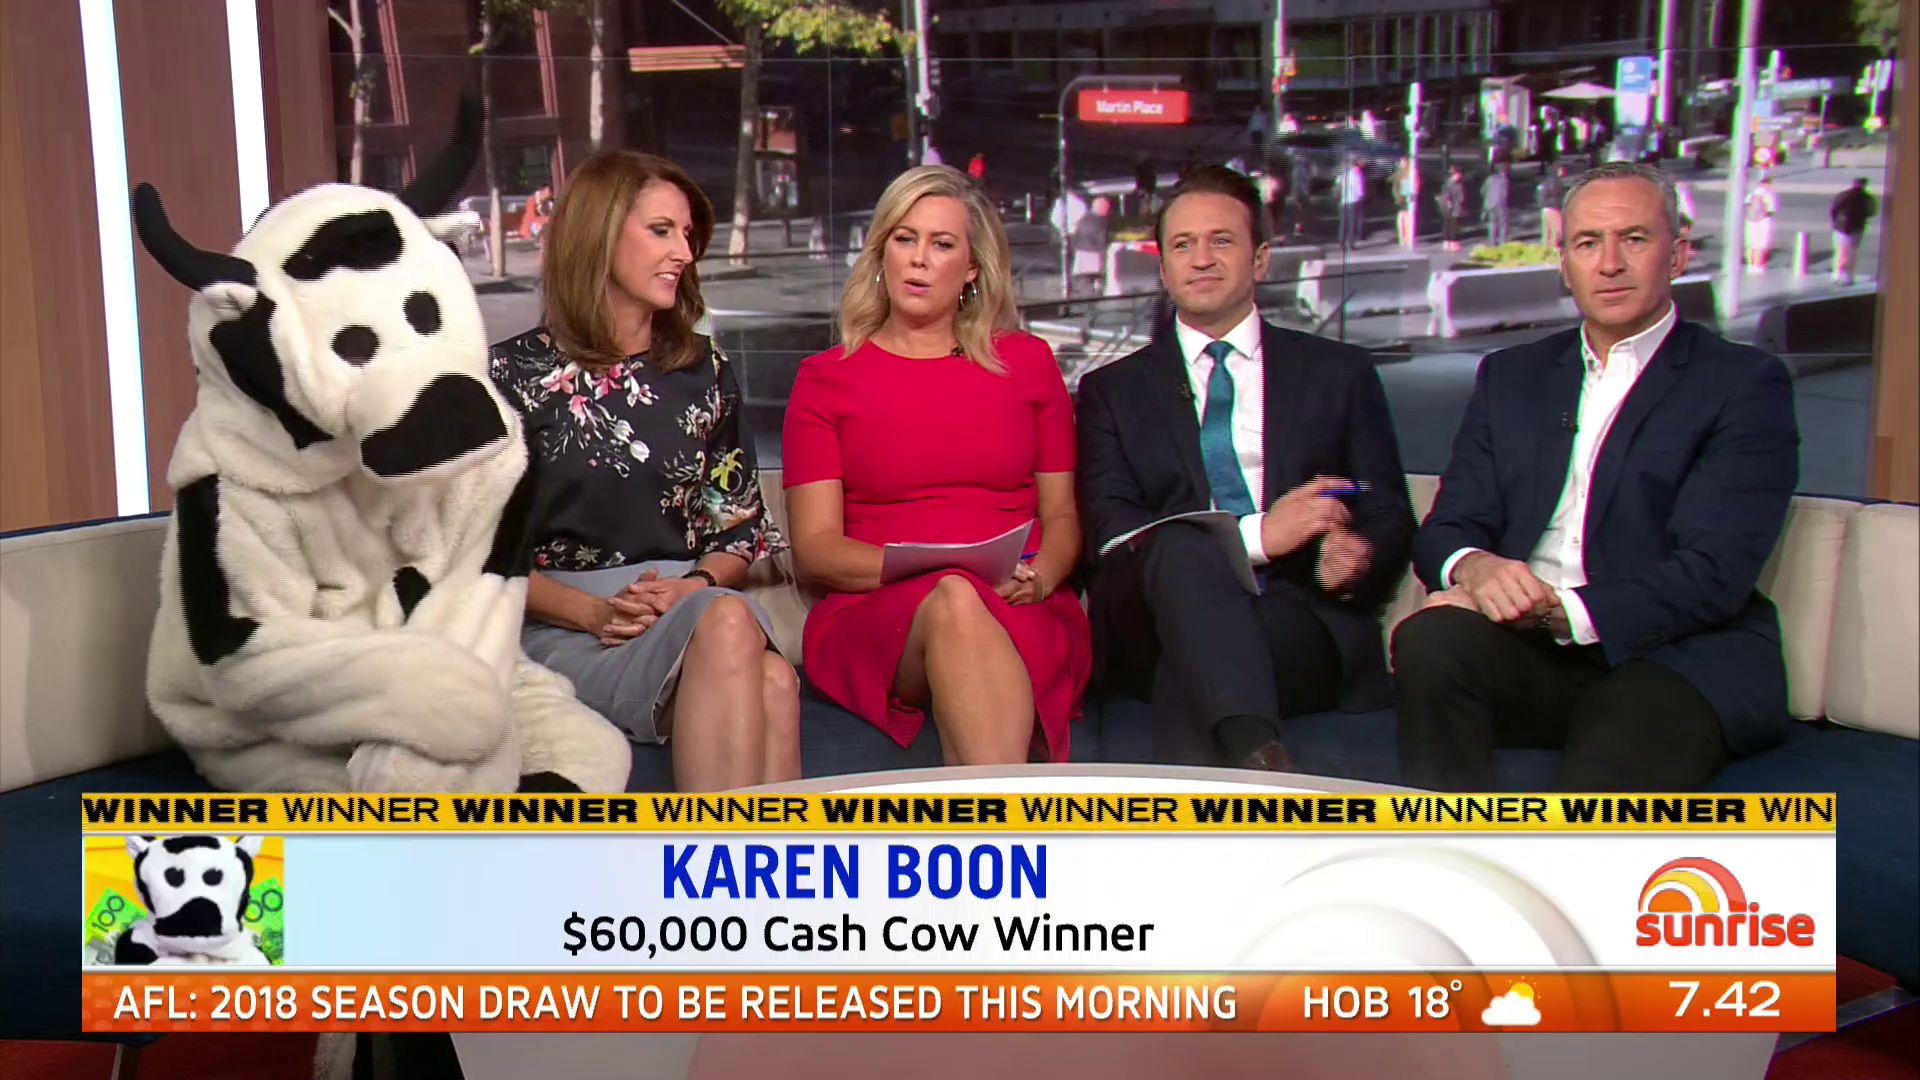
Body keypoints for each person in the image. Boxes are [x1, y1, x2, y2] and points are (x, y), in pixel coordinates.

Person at [1393, 161, 1800, 792]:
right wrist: (1476, 569)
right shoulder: (1512, 377)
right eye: (1588, 243)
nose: (1609, 263)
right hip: (1531, 652)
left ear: (1677, 255)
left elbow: (1713, 572)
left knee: (1616, 752)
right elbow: (1449, 526)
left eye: (1633, 239)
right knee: (1432, 639)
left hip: (1676, 655)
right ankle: (1452, 846)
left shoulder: (1742, 384)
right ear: (1565, 263)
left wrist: (1555, 611)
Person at [1076, 166, 1416, 769]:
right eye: (1183, 245)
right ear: (1164, 269)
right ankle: (1259, 769)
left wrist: (1358, 553)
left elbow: (1388, 510)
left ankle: (1249, 750)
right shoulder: (1112, 391)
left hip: (1295, 613)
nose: (1201, 259)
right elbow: (1111, 533)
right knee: (1178, 546)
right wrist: (1259, 536)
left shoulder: (1339, 373)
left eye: (1222, 241)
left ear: (1260, 259)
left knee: (1195, 663)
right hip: (1150, 617)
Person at [488, 150, 800, 792]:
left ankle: (726, 857)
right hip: (562, 625)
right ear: (600, 234)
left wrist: (695, 586)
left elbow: (739, 529)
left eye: (686, 235)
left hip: (694, 608)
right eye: (662, 231)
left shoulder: (706, 371)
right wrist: (592, 613)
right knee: (758, 665)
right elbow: (478, 556)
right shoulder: (506, 378)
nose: (684, 253)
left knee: (757, 657)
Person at [783, 165, 1091, 764]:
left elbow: (1061, 515)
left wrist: (1041, 578)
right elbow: (816, 550)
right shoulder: (825, 380)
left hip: (1020, 596)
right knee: (955, 597)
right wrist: (944, 569)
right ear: (883, 252)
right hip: (879, 609)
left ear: (972, 268)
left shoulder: (1028, 363)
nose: (919, 260)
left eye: (942, 244)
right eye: (905, 239)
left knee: (964, 601)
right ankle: (1006, 818)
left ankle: (988, 816)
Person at [1829, 177, 1877, 286]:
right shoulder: (1867, 198)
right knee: (1852, 252)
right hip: (1857, 227)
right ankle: (1849, 277)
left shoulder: (1843, 195)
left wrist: (1835, 221)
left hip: (1841, 227)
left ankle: (1837, 275)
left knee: (1840, 251)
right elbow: (1871, 211)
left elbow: (1834, 209)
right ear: (1864, 185)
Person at [1071, 195, 1113, 297]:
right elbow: (1102, 239)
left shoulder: (1084, 218)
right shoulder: (1101, 221)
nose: (1107, 210)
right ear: (1101, 208)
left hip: (1081, 251)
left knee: (1084, 278)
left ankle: (1086, 296)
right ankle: (1093, 296)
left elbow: (1076, 235)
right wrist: (1106, 252)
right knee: (1098, 276)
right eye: (1106, 208)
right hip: (1095, 253)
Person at [1744, 176, 1778, 273]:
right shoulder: (1768, 195)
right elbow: (1771, 210)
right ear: (1768, 184)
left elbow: (1746, 205)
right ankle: (1757, 265)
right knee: (1760, 244)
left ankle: (1750, 265)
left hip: (1750, 221)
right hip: (1763, 221)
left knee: (1751, 244)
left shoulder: (1751, 194)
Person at [1337, 155, 1367, 249]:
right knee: (1352, 223)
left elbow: (1338, 185)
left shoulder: (1344, 174)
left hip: (1344, 201)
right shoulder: (1357, 174)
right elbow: (1359, 189)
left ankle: (1341, 242)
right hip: (1354, 201)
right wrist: (1361, 197)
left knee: (1343, 223)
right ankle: (1350, 244)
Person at [1481, 163, 1511, 246]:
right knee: (1503, 224)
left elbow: (1483, 191)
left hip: (1490, 204)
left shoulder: (1489, 179)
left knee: (1492, 224)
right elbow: (1505, 194)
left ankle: (1492, 242)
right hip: (1501, 204)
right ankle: (1503, 242)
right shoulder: (1504, 180)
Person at [1438, 166, 1467, 252]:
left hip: (1452, 207)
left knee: (1449, 224)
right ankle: (1452, 243)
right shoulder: (1451, 183)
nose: (1460, 176)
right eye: (1458, 174)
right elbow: (1447, 196)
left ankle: (1447, 242)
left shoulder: (1452, 183)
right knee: (1453, 225)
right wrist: (1450, 206)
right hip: (1453, 207)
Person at [1538, 165, 1567, 249]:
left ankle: (1545, 250)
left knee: (1546, 232)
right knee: (1556, 232)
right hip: (1554, 209)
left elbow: (1540, 195)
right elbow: (1560, 197)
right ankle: (1554, 249)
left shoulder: (1544, 182)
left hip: (1544, 209)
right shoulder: (1557, 182)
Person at [1391, 159, 1418, 248]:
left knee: (1405, 217)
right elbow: (1396, 187)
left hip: (1405, 198)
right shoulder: (1402, 174)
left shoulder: (1408, 173)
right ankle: (1403, 237)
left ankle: (1405, 237)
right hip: (1403, 198)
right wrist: (1399, 197)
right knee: (1404, 216)